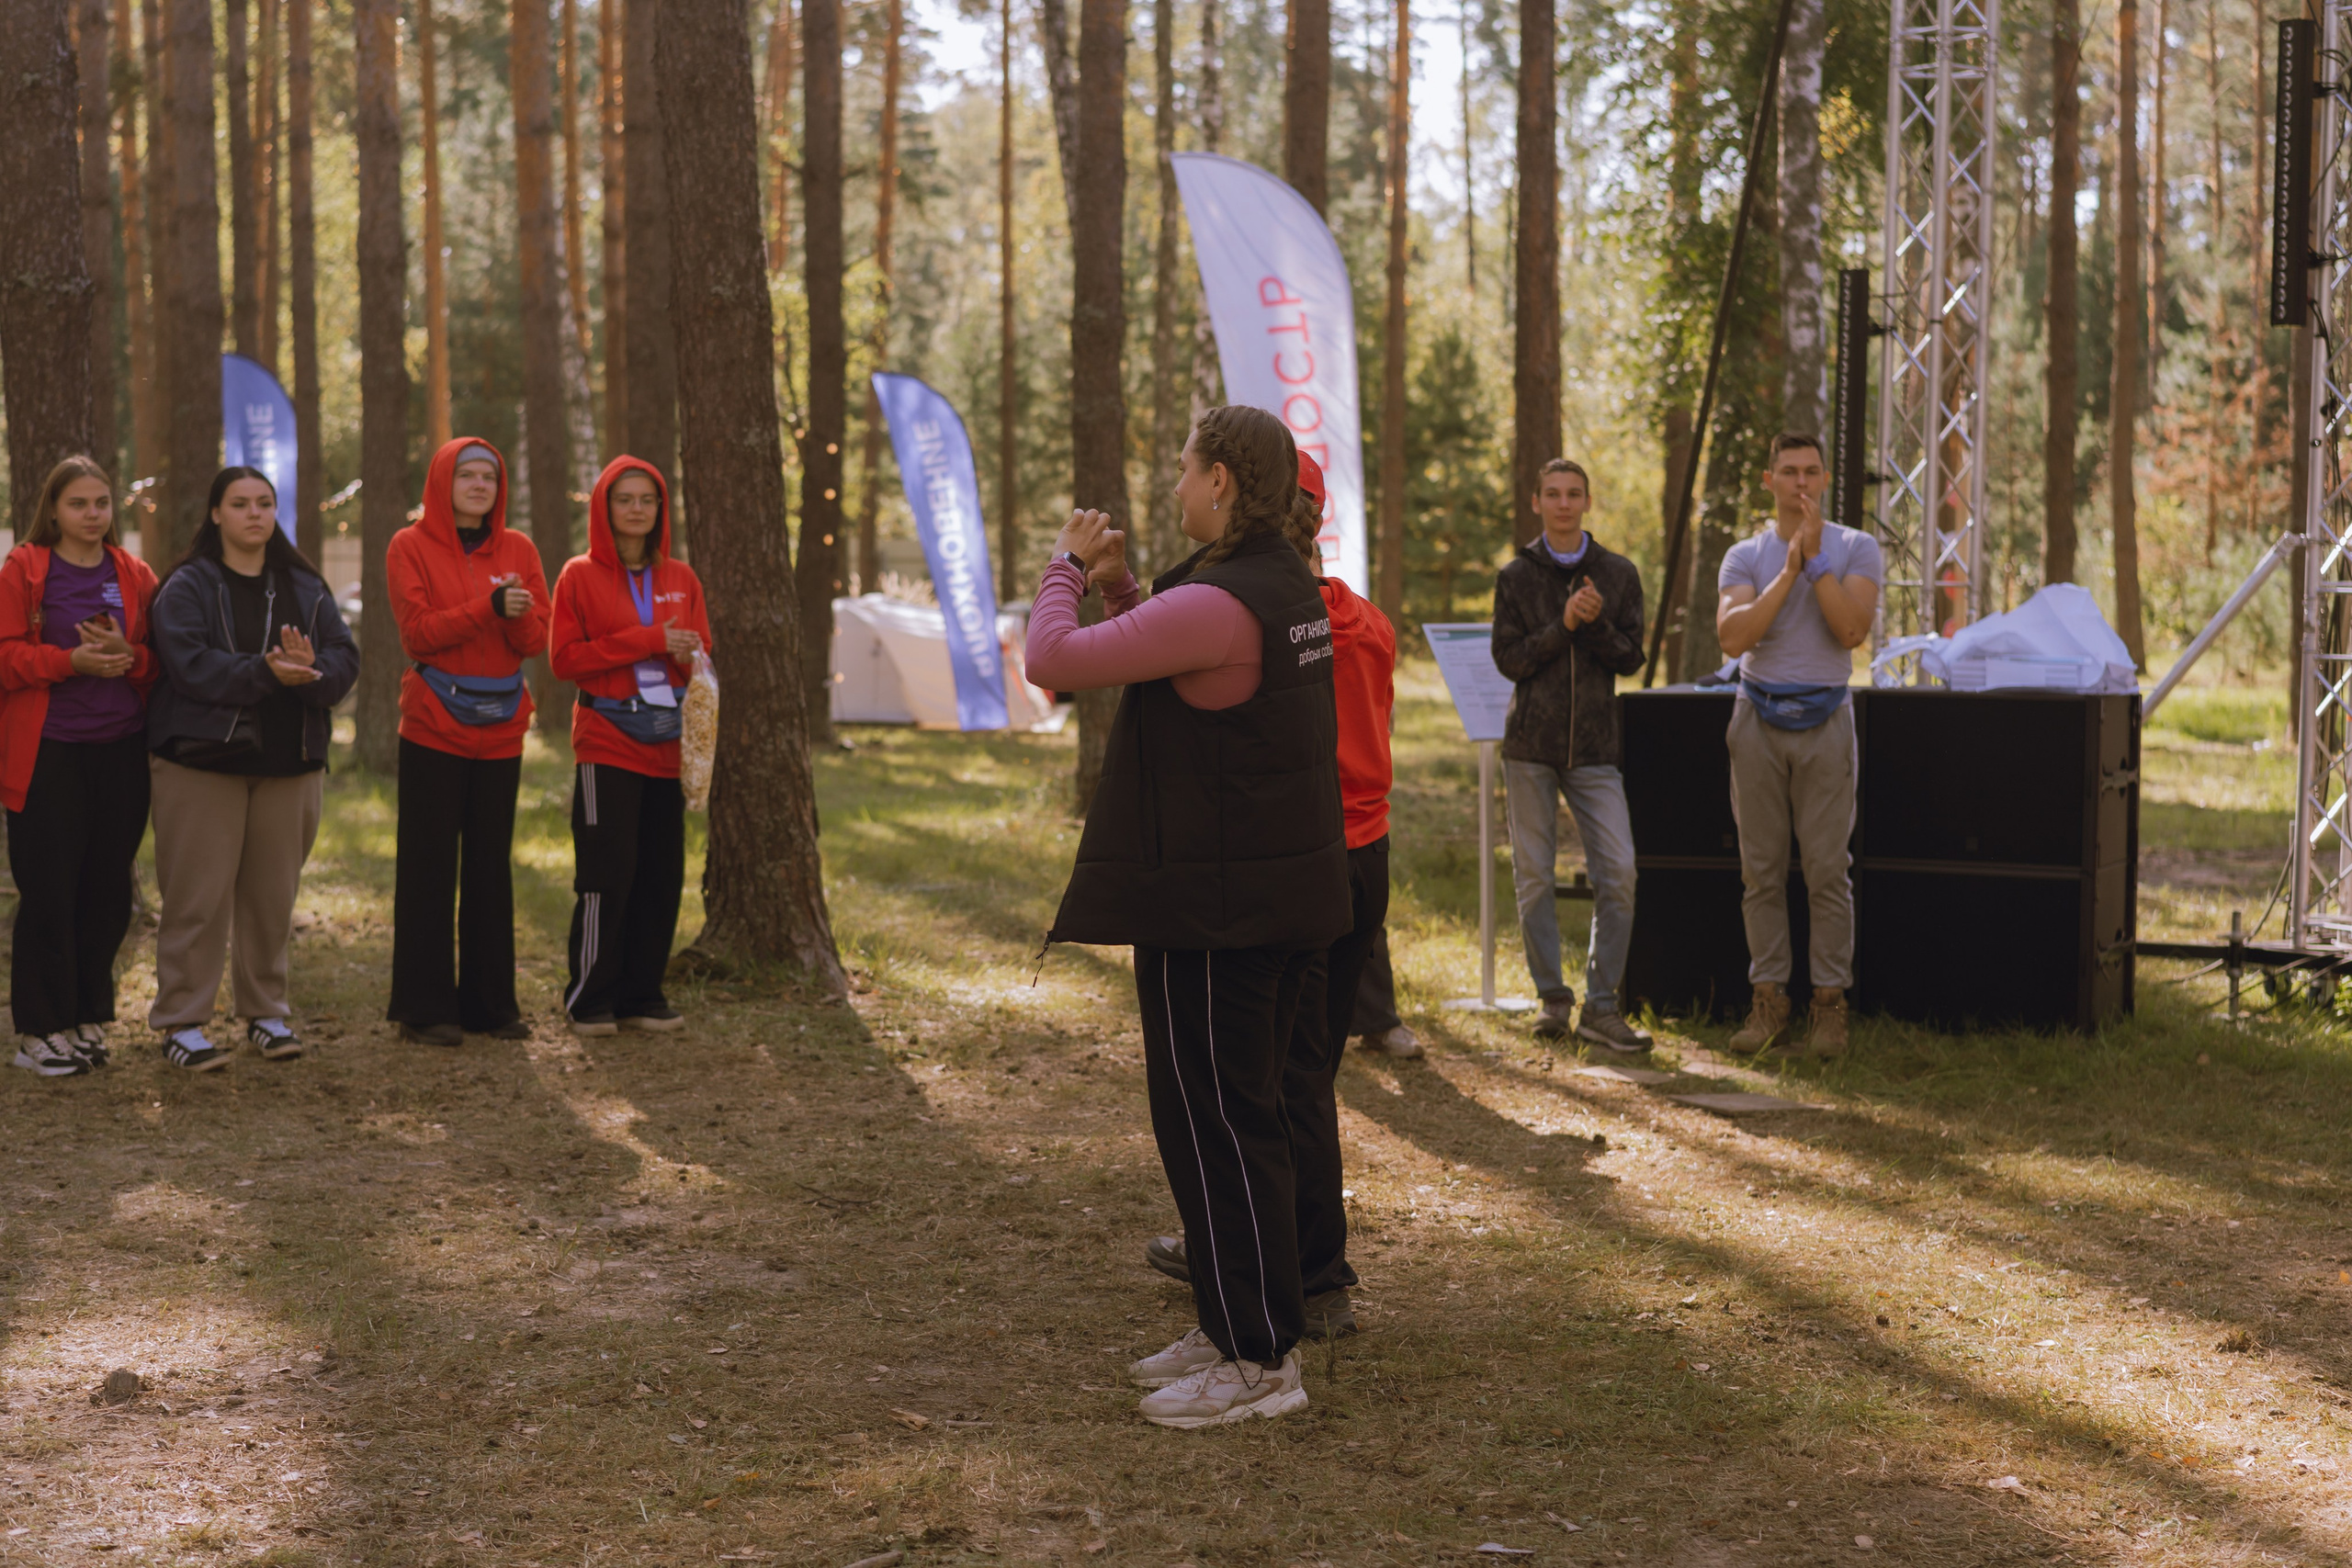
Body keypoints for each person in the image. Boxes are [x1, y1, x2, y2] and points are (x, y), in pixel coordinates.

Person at [1029, 404, 1349, 1431]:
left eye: (1184, 471)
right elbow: (1184, 661)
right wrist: (1126, 585)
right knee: (1215, 1120)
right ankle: (1228, 1323)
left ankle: (1259, 1361)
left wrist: (1068, 568)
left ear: (1221, 483)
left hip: (1225, 910)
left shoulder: (1226, 598)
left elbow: (1056, 660)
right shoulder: (1277, 581)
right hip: (1263, 895)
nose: (1173, 488)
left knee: (1221, 1126)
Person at [1137, 453, 1400, 1340]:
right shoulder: (1357, 618)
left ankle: (1295, 1274)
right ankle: (1281, 1265)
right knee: (1296, 1081)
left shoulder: (1296, 619)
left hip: (1314, 859)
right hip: (1360, 856)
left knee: (1277, 1085)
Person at [146, 467, 359, 1070]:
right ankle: (183, 1021)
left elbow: (345, 656)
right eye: (239, 504)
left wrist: (313, 670)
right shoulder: (187, 584)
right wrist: (268, 672)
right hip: (200, 762)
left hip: (289, 764)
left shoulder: (304, 583)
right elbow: (189, 664)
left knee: (272, 897)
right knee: (198, 898)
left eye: (264, 503)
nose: (254, 514)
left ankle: (266, 1013)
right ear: (216, 514)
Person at [1713, 433, 1882, 1057]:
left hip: (1826, 719)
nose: (1801, 483)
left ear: (1825, 480)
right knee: (1760, 871)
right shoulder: (1744, 555)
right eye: (1789, 472)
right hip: (1755, 719)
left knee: (1825, 872)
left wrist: (1816, 566)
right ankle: (1768, 1003)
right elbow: (1735, 638)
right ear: (1770, 481)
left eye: (1811, 471)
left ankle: (1829, 1007)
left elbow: (1850, 629)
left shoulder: (1856, 547)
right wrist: (1786, 571)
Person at [385, 438, 550, 1047]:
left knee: (490, 866)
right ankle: (424, 1009)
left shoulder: (521, 548)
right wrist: (488, 606)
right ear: (442, 482)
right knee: (428, 865)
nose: (480, 485)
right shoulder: (410, 545)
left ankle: (490, 1005)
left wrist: (514, 615)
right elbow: (420, 633)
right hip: (433, 725)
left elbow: (536, 641)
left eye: (490, 476)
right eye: (468, 475)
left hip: (502, 727)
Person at [0, 457, 161, 1077]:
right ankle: (40, 1029)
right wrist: (70, 663)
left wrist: (130, 657)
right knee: (48, 890)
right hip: (49, 751)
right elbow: (7, 657)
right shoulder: (26, 569)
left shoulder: (133, 572)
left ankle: (88, 1013)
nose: (92, 515)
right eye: (79, 504)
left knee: (107, 889)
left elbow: (154, 661)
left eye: (101, 503)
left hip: (120, 750)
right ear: (53, 510)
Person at [1489, 458, 1650, 1053]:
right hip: (1530, 747)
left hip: (1595, 749)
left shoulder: (1618, 573)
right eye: (1552, 493)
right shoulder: (1515, 576)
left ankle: (1601, 1005)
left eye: (1573, 493)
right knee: (1535, 877)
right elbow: (1509, 660)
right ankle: (1553, 999)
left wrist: (1595, 621)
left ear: (1587, 501)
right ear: (1536, 502)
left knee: (1621, 873)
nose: (1562, 503)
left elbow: (1631, 657)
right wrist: (1563, 623)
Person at [548, 457, 709, 1036]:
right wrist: (649, 639)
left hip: (667, 744)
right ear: (604, 508)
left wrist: (687, 657)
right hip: (607, 740)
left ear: (660, 510)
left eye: (647, 500)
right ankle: (589, 998)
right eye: (625, 500)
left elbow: (702, 657)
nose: (637, 509)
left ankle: (644, 995)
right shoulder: (578, 576)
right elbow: (565, 660)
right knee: (606, 871)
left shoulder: (682, 579)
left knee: (661, 874)